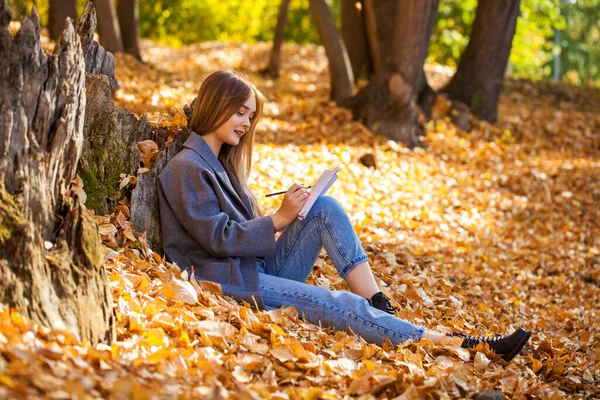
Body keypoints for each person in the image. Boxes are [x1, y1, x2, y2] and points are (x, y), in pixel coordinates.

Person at [157, 70, 531, 362]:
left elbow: (237, 232)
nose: (245, 123)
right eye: (240, 112)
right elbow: (217, 238)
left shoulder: (219, 165)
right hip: (226, 282)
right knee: (337, 303)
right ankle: (455, 344)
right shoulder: (186, 167)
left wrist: (291, 211)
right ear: (216, 104)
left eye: (250, 116)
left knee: (323, 208)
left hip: (251, 270)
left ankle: (379, 304)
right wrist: (278, 219)